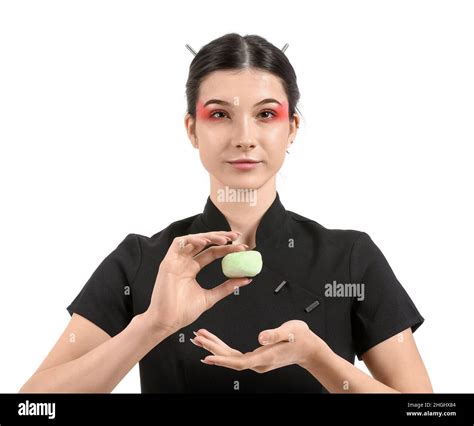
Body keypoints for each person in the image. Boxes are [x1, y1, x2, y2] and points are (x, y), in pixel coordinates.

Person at [20, 33, 432, 393]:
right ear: (191, 130)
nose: (244, 138)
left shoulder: (350, 259)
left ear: (292, 128)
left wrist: (317, 358)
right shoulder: (141, 261)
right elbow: (32, 408)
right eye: (219, 115)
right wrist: (152, 326)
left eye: (266, 114)